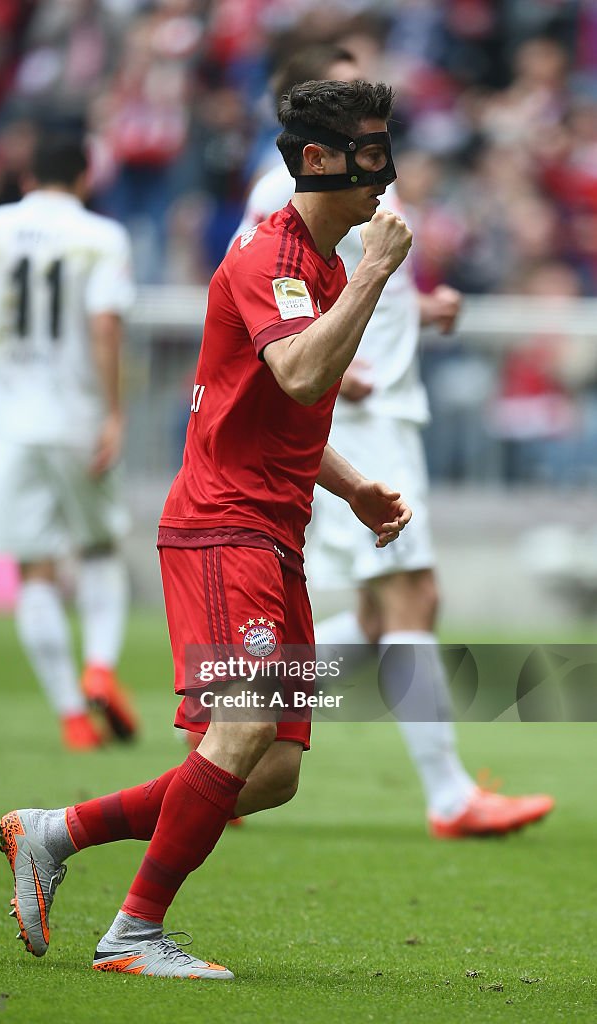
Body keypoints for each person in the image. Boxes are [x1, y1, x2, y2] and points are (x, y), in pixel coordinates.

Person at [0, 78, 413, 981]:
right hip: (226, 528)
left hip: (271, 531)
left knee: (270, 771)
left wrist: (348, 489)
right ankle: (134, 933)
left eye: (388, 146)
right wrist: (379, 271)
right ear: (317, 159)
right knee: (244, 721)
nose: (386, 172)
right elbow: (300, 373)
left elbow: (267, 407)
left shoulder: (325, 266)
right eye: (371, 152)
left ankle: (52, 834)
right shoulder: (280, 259)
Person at [233, 44, 554, 838]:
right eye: (346, 85)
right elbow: (265, 301)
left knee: (387, 618)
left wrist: (424, 307)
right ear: (306, 107)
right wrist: (334, 377)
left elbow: (370, 277)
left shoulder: (363, 177)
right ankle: (449, 796)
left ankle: (233, 721)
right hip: (356, 415)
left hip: (388, 409)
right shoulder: (283, 191)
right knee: (412, 599)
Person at [0, 137, 139, 751]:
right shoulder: (101, 236)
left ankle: (71, 715)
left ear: (26, 176)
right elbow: (105, 322)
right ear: (84, 179)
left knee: (34, 569)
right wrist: (112, 411)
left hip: (5, 424)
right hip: (76, 418)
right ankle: (101, 665)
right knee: (100, 549)